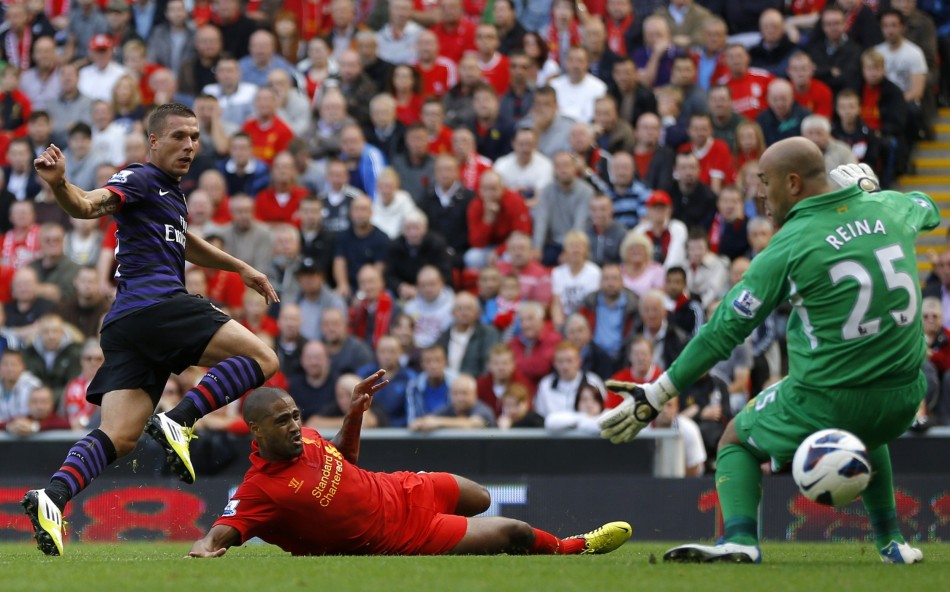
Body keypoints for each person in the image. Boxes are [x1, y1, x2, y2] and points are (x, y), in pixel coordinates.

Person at [599, 144, 931, 565]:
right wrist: (869, 191)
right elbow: (926, 204)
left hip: (827, 400)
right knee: (869, 426)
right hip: (903, 398)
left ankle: (739, 540)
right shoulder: (890, 208)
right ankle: (893, 544)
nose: (760, 194)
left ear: (793, 183)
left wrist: (659, 392)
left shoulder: (789, 244)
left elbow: (723, 331)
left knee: (735, 438)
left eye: (764, 182)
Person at [22, 103, 281, 557]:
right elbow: (89, 204)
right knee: (264, 358)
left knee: (119, 437)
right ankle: (179, 420)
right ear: (154, 141)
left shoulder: (170, 196)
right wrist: (60, 183)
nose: (190, 146)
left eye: (195, 137)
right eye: (179, 136)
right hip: (157, 305)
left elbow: (187, 242)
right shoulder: (139, 177)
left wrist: (240, 267)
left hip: (126, 325)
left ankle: (53, 498)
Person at [188, 377, 630, 557]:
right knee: (511, 531)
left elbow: (345, 457)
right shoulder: (260, 489)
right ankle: (576, 548)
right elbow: (223, 528)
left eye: (295, 415)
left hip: (401, 489)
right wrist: (205, 548)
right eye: (281, 421)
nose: (293, 425)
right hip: (398, 536)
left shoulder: (306, 437)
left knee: (482, 497)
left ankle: (460, 542)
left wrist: (355, 414)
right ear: (255, 431)